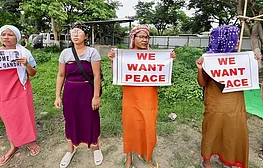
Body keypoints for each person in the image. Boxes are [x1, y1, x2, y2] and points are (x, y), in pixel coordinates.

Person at [108, 24, 176, 168]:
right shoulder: (125, 55)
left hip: (149, 98)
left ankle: (146, 153)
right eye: (141, 37)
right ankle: (129, 155)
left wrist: (168, 61)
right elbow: (116, 76)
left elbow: (161, 74)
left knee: (148, 125)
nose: (144, 40)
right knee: (130, 125)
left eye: (146, 37)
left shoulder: (156, 56)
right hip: (131, 98)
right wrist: (113, 61)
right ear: (133, 38)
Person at [0, 25, 40, 166]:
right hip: (2, 91)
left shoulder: (24, 52)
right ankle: (14, 145)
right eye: (3, 34)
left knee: (25, 115)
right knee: (8, 118)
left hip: (21, 89)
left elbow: (33, 73)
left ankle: (30, 142)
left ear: (16, 37)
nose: (6, 37)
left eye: (10, 34)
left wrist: (27, 65)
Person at [196, 25, 259, 168]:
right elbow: (202, 83)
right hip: (215, 104)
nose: (237, 42)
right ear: (224, 40)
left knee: (232, 131)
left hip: (236, 104)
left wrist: (252, 62)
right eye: (234, 39)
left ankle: (227, 157)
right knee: (212, 131)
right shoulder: (209, 58)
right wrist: (200, 69)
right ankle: (206, 160)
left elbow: (248, 78)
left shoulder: (241, 58)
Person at [54, 23, 103, 168]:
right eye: (73, 32)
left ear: (86, 36)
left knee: (91, 118)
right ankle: (70, 149)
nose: (75, 34)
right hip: (70, 92)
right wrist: (58, 95)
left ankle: (96, 148)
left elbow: (96, 76)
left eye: (79, 32)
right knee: (71, 119)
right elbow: (61, 75)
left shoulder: (92, 52)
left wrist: (96, 96)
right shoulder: (65, 53)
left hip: (87, 92)